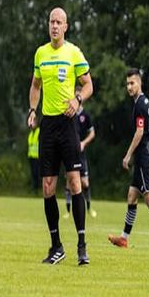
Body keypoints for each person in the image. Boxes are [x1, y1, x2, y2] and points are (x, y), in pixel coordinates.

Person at [27, 7, 94, 266]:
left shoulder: (73, 53)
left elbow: (89, 84)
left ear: (66, 27)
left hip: (68, 125)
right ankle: (56, 246)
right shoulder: (40, 53)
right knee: (47, 188)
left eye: (59, 22)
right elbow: (35, 85)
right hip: (48, 126)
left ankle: (81, 245)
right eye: (51, 21)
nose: (54, 26)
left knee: (75, 182)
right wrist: (33, 110)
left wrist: (77, 99)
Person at [108, 69, 149, 250]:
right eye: (127, 84)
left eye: (132, 83)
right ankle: (124, 239)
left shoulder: (140, 105)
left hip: (143, 156)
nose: (129, 87)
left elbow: (140, 132)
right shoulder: (142, 102)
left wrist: (127, 155)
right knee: (132, 196)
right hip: (142, 155)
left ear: (139, 83)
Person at [65, 88, 97, 218]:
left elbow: (93, 133)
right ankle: (67, 211)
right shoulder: (69, 113)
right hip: (70, 152)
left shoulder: (85, 115)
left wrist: (83, 143)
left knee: (85, 183)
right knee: (69, 182)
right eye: (75, 96)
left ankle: (89, 208)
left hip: (81, 154)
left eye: (79, 96)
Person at [27, 116, 40, 194]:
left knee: (37, 173)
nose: (32, 124)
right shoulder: (31, 133)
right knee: (33, 174)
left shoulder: (39, 132)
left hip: (38, 157)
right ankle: (34, 189)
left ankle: (37, 189)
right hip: (31, 156)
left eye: (33, 122)